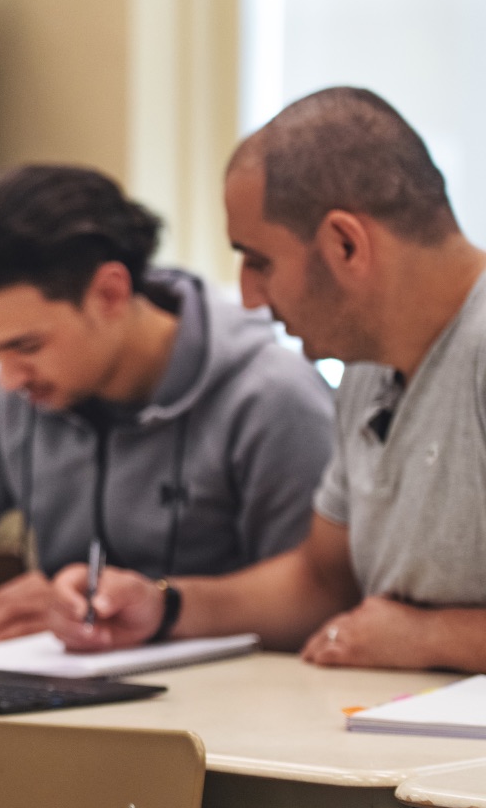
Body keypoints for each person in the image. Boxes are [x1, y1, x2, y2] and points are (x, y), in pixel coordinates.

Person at [49, 87, 486, 673]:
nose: (251, 298)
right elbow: (321, 582)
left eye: (259, 261)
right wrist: (163, 605)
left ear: (346, 244)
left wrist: (434, 638)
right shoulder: (368, 366)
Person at [0, 165, 335, 642]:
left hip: (237, 702)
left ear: (110, 293)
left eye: (26, 346)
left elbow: (318, 598)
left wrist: (155, 606)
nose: (6, 379)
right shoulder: (13, 394)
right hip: (69, 689)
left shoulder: (273, 396)